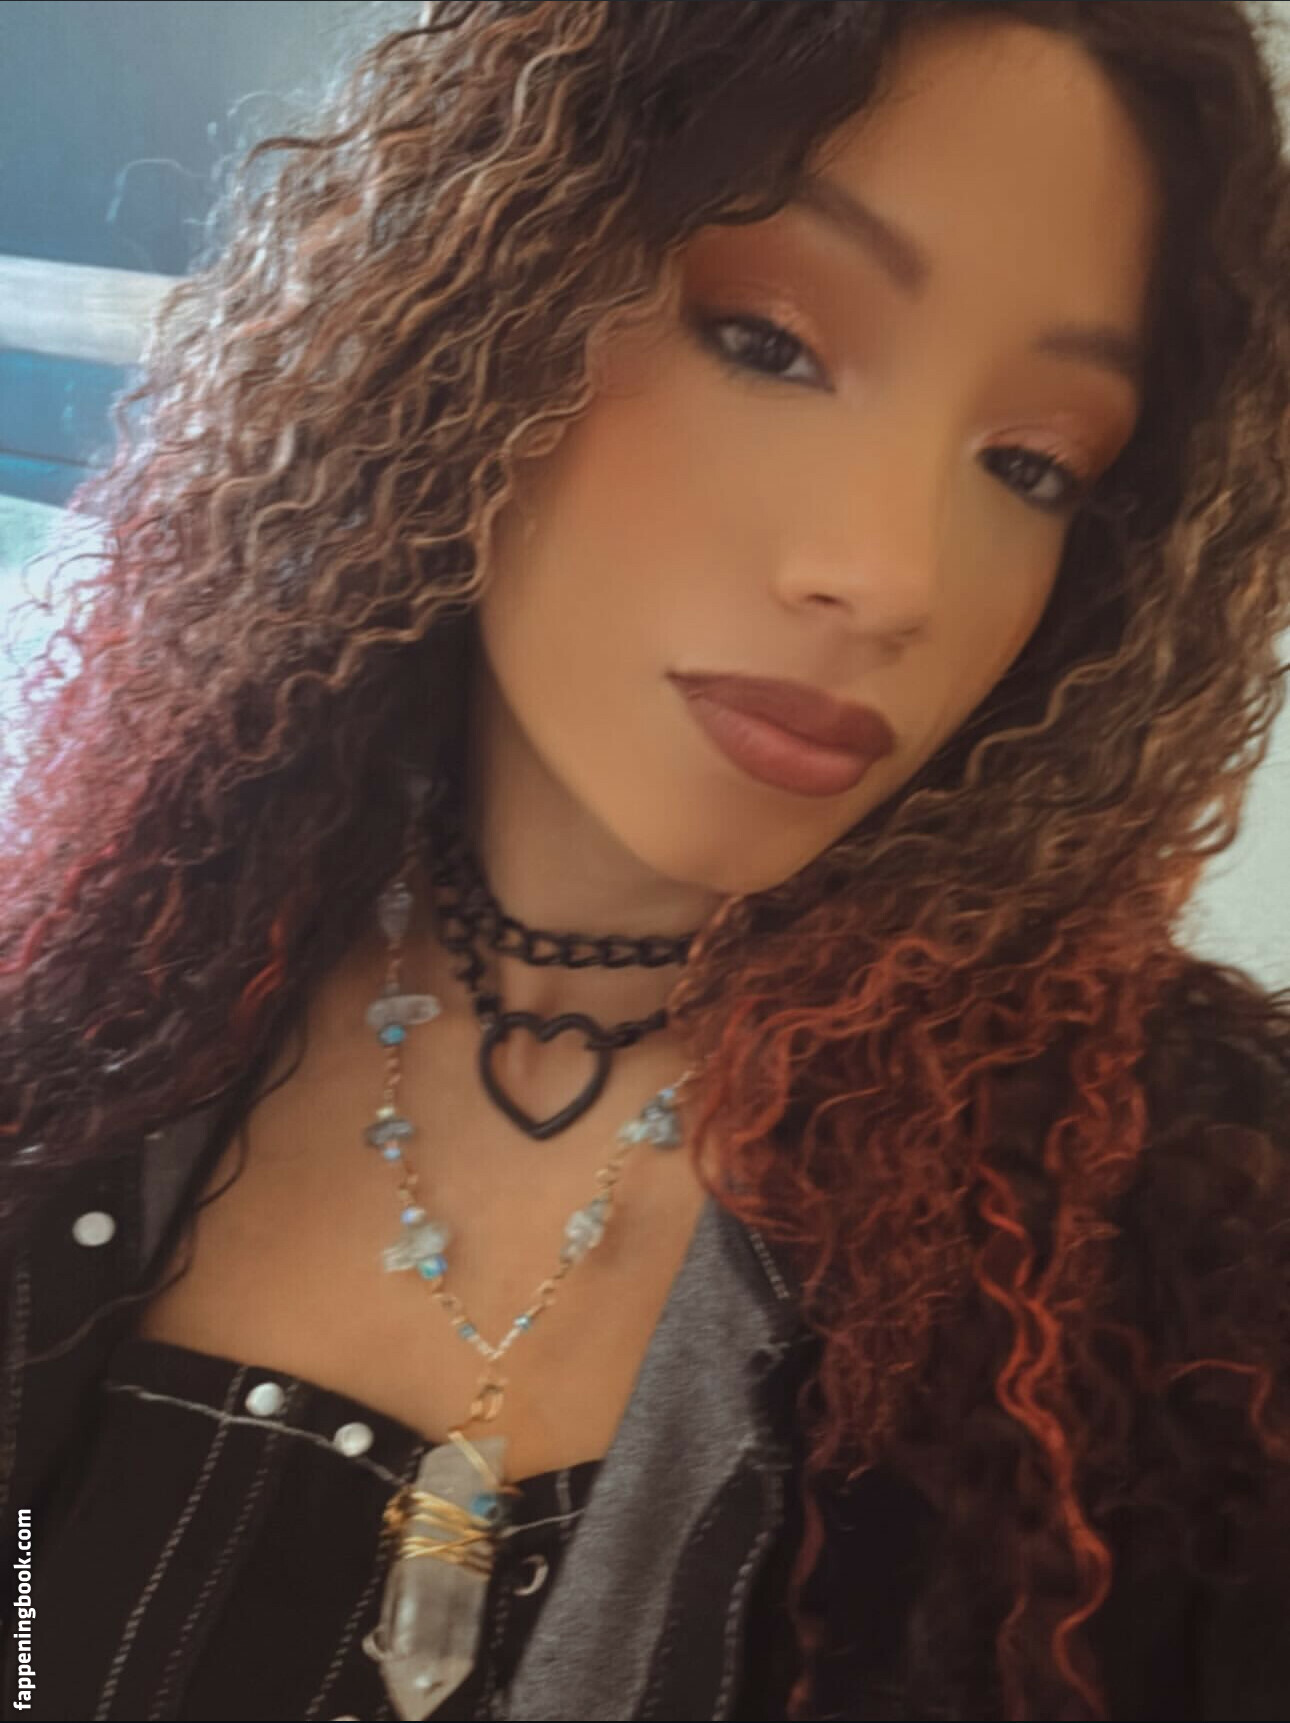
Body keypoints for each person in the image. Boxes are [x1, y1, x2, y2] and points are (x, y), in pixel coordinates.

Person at [2, 0, 1290, 1717]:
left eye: (1030, 465)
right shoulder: (81, 1021)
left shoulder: (1194, 1224)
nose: (890, 575)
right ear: (475, 320)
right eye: (766, 342)